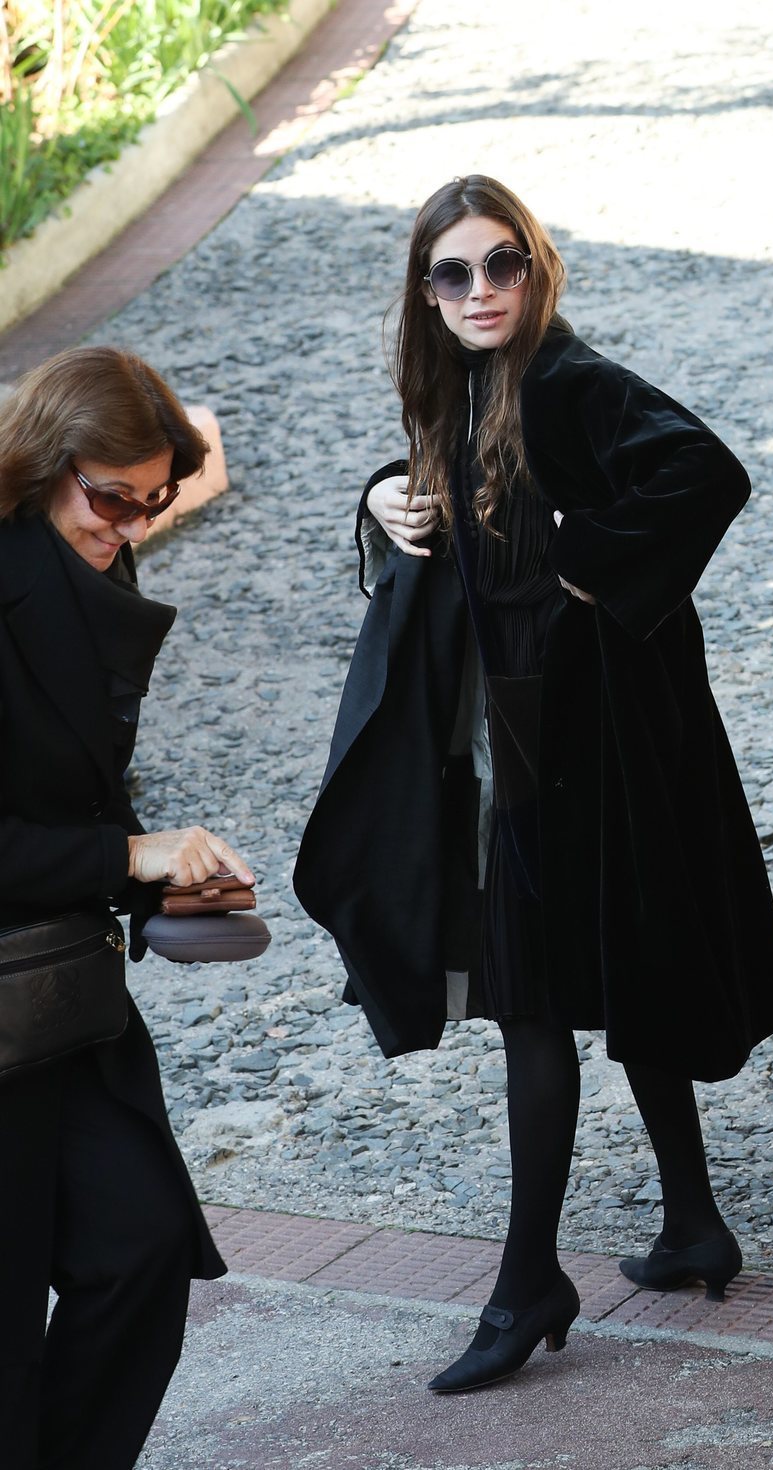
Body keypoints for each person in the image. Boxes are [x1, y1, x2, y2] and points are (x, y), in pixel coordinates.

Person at [294, 176, 773, 1393]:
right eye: (454, 274)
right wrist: (374, 494)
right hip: (521, 742)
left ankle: (528, 1281)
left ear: (537, 269)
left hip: (565, 748)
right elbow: (456, 499)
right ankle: (690, 1225)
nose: (482, 292)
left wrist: (579, 567)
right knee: (604, 963)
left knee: (530, 999)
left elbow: (704, 472)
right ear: (424, 292)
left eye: (503, 265)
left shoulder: (569, 381)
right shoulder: (463, 388)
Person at [0, 346, 255, 1469]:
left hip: (60, 996)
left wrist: (158, 877)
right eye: (111, 499)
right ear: (44, 463)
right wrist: (126, 852)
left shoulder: (93, 571)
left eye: (153, 504)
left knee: (141, 1249)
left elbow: (76, 792)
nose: (133, 527)